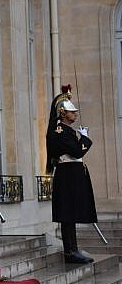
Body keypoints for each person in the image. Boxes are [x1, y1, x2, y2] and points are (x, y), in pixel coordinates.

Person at [46, 84, 97, 264]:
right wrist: (85, 139)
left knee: (73, 212)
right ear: (62, 113)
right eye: (71, 112)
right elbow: (76, 152)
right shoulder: (59, 131)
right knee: (68, 213)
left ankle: (73, 249)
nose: (75, 114)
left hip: (73, 173)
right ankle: (70, 251)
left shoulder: (68, 131)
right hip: (67, 174)